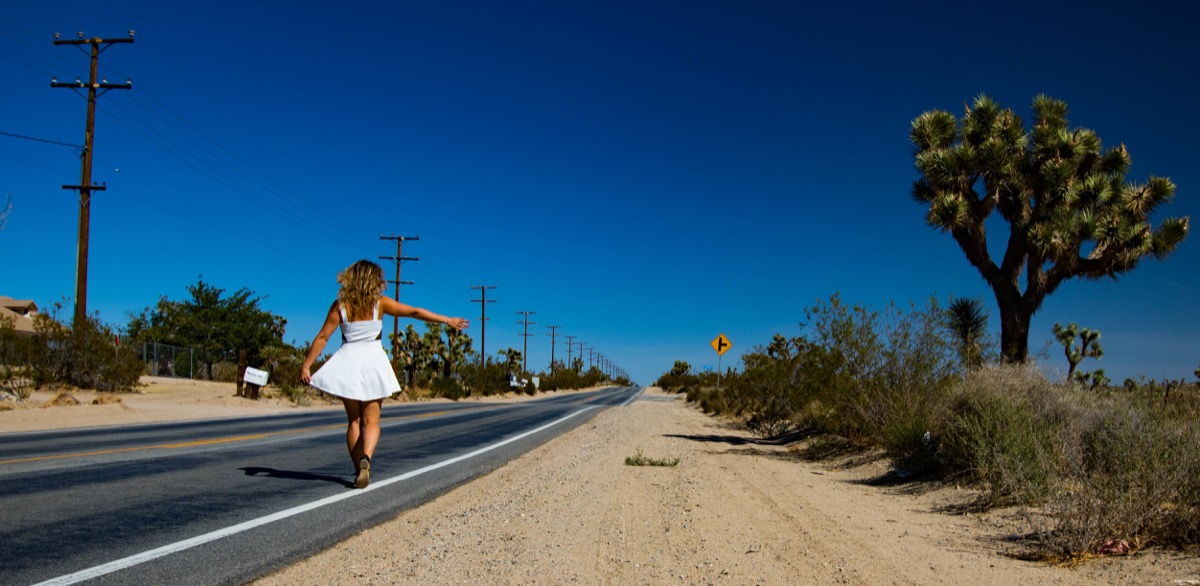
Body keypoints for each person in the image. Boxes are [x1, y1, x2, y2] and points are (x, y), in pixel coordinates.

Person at [301, 259, 469, 489]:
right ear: (374, 280)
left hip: (347, 360)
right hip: (372, 361)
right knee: (372, 420)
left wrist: (307, 365)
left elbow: (322, 337)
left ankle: (357, 468)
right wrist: (447, 320)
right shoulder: (379, 304)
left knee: (354, 421)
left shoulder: (339, 306)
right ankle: (366, 460)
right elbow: (413, 312)